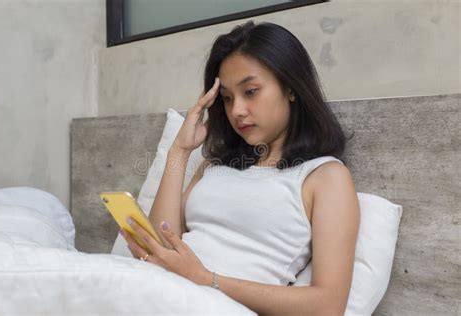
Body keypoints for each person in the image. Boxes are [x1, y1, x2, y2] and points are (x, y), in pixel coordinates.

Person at [121, 20, 360, 315]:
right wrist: (179, 152)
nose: (237, 111)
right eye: (227, 98)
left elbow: (327, 306)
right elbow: (164, 244)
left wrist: (206, 280)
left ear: (291, 88)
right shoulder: (214, 166)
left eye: (251, 92)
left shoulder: (324, 177)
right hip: (161, 293)